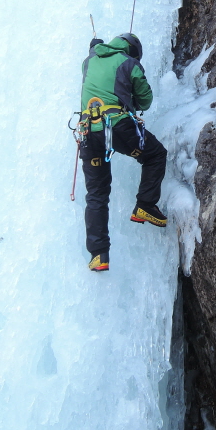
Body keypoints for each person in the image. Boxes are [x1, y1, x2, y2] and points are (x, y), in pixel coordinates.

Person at [79, 33, 168, 272]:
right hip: (117, 127)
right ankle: (145, 206)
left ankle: (99, 255)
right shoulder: (130, 63)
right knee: (155, 155)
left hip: (88, 133)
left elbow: (92, 61)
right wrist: (129, 97)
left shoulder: (90, 61)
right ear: (133, 51)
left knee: (96, 194)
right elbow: (145, 100)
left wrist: (93, 47)